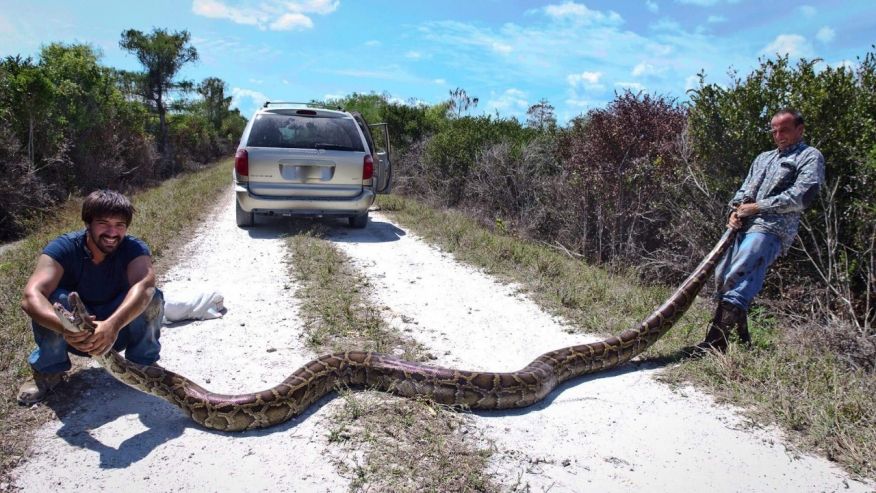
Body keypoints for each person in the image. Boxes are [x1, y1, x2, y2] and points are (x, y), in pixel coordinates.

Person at [17, 189, 164, 405]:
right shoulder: (63, 247)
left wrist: (112, 325)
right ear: (88, 223)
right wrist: (65, 327)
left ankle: (143, 365)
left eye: (120, 225)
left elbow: (145, 287)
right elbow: (31, 297)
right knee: (55, 300)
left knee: (152, 297)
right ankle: (48, 371)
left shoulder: (134, 248)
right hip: (71, 334)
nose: (112, 232)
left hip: (116, 331)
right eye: (103, 223)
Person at [699, 108, 825, 352]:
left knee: (739, 274)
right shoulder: (763, 158)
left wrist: (757, 207)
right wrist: (734, 211)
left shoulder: (810, 156)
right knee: (723, 277)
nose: (779, 135)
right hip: (742, 226)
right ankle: (743, 341)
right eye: (775, 130)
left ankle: (714, 344)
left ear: (800, 129)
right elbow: (744, 189)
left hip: (771, 228)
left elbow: (802, 196)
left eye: (785, 130)